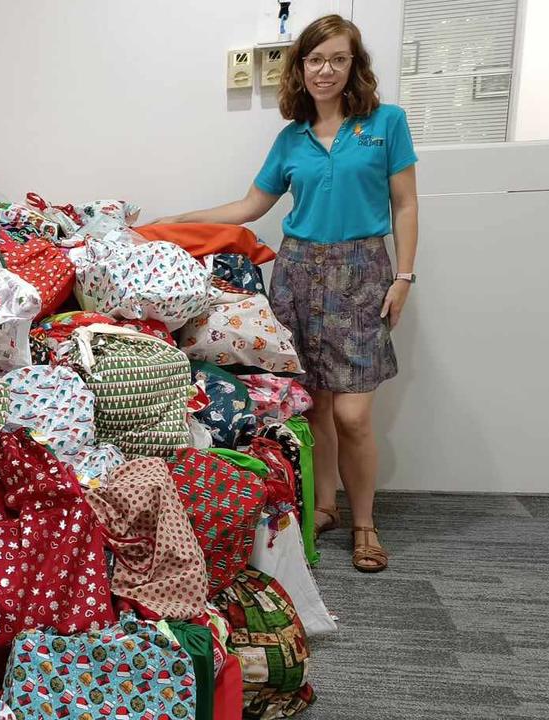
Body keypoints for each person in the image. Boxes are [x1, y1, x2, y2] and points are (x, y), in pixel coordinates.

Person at [154, 14, 417, 573]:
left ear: (354, 65)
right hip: (297, 274)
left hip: (361, 272)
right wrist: (181, 219)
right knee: (313, 403)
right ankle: (325, 506)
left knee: (353, 415)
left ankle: (365, 522)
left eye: (338, 59)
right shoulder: (291, 138)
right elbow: (251, 207)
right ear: (301, 66)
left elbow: (406, 205)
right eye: (315, 59)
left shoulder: (386, 124)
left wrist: (405, 276)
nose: (326, 70)